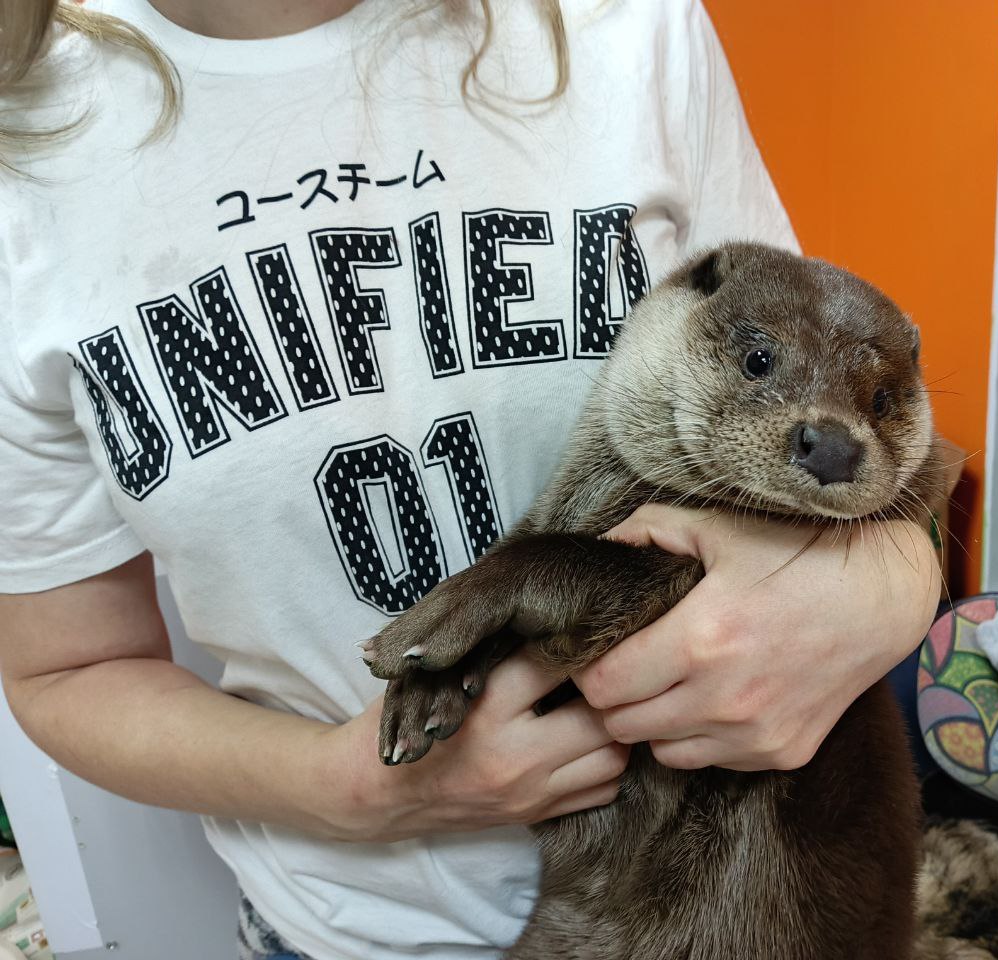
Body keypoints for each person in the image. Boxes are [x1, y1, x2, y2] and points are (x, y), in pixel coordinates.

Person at [0, 2, 941, 958]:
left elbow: (837, 407)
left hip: (751, 903)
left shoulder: (632, 25)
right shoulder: (26, 133)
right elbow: (68, 667)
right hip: (345, 931)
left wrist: (898, 586)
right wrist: (349, 787)